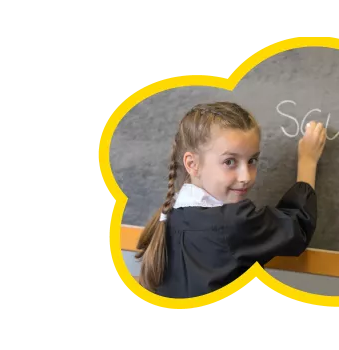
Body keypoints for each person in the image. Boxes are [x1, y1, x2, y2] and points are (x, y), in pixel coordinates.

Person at [135, 101, 327, 298]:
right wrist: (307, 161)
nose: (245, 176)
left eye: (252, 160)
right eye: (229, 162)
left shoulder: (169, 217)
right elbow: (297, 227)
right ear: (192, 164)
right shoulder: (233, 224)